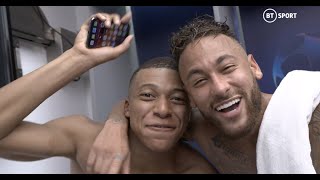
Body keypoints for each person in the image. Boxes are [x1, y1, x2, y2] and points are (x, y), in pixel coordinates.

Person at [86, 14, 320, 174]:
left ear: (254, 68)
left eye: (227, 68)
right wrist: (114, 127)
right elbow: (138, 108)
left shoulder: (310, 121)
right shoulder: (197, 125)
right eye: (199, 81)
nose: (219, 88)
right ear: (190, 97)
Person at [0, 13, 216, 174]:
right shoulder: (84, 139)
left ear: (190, 111)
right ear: (127, 107)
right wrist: (77, 59)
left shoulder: (196, 170)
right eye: (148, 95)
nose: (162, 109)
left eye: (177, 99)